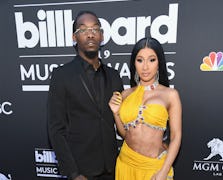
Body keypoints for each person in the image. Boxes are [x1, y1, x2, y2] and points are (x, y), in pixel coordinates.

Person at [47, 11, 123, 180]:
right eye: (83, 30)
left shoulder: (114, 76)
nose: (90, 34)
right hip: (81, 171)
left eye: (95, 29)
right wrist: (73, 173)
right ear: (74, 38)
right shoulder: (61, 75)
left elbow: (123, 120)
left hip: (113, 168)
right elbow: (56, 130)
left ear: (102, 36)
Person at [109, 37, 182, 180]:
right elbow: (125, 134)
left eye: (152, 60)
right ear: (134, 63)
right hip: (126, 162)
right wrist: (116, 112)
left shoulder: (170, 95)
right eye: (140, 60)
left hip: (154, 168)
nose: (145, 67)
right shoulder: (126, 94)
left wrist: (164, 170)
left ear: (159, 62)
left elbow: (176, 137)